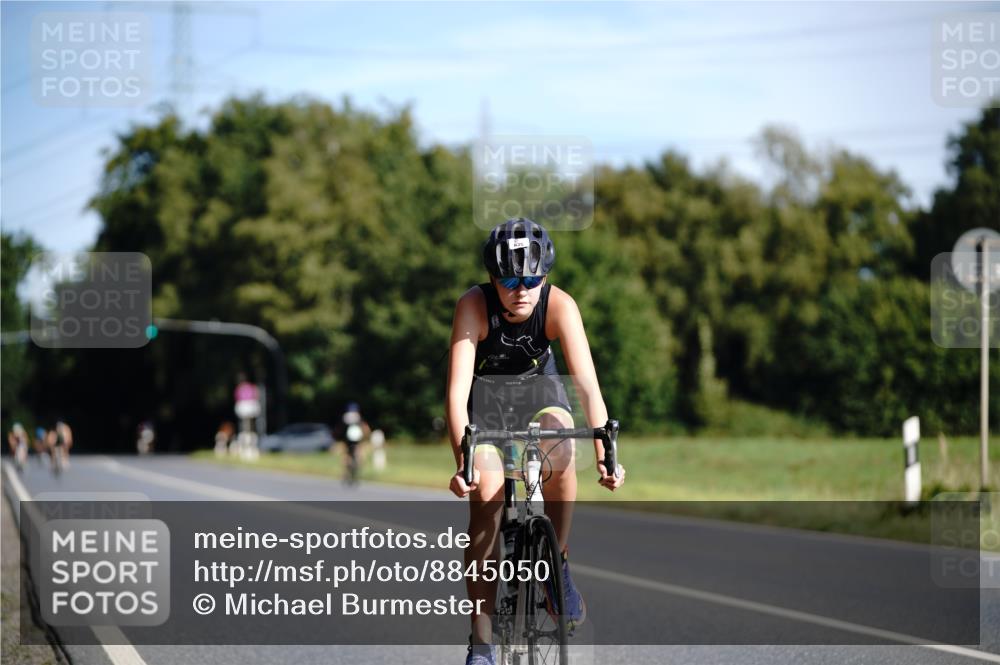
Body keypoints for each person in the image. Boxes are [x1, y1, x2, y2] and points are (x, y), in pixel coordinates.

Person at [446, 218, 626, 665]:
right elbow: (455, 392)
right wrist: (463, 464)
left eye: (531, 279)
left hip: (540, 396)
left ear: (545, 277)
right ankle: (482, 640)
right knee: (487, 495)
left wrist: (607, 454)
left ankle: (556, 565)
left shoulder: (560, 305)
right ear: (493, 278)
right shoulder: (472, 305)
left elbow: (587, 386)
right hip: (486, 403)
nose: (520, 289)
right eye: (509, 279)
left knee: (564, 450)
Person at [334, 402, 371, 484]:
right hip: (357, 441)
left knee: (345, 456)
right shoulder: (359, 418)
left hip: (346, 441)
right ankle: (356, 468)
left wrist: (338, 440)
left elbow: (339, 430)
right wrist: (366, 438)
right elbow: (365, 429)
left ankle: (345, 473)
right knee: (359, 454)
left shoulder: (344, 418)